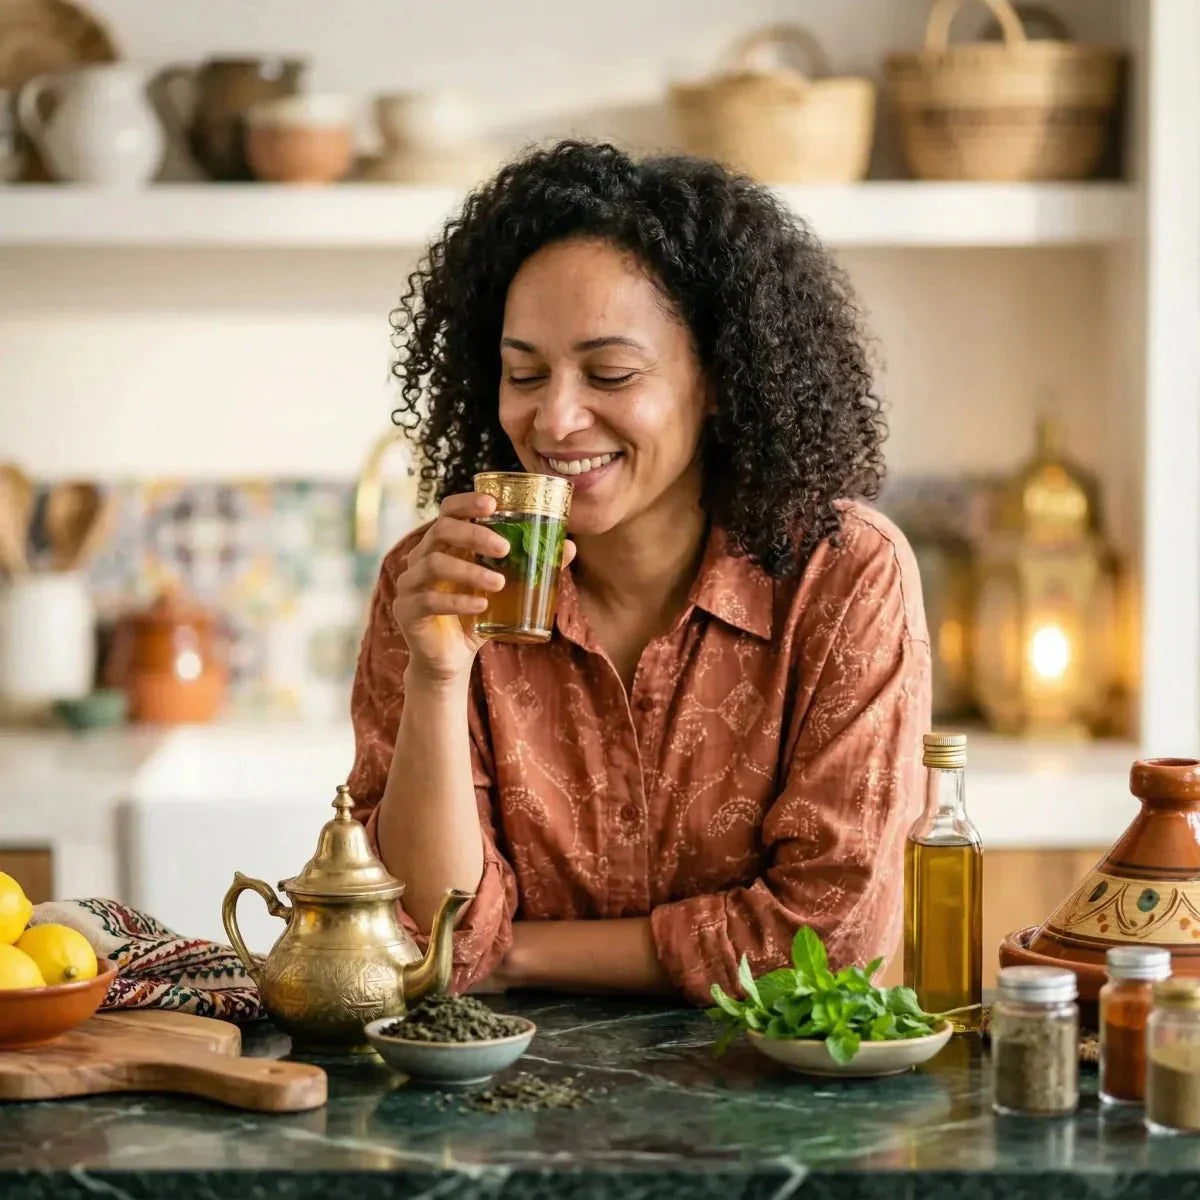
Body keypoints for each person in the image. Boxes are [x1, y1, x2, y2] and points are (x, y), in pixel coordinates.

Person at [347, 140, 931, 1006]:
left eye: (611, 373)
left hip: (773, 1111)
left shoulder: (841, 576)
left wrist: (520, 955)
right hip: (503, 1108)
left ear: (721, 380)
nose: (556, 417)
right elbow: (422, 944)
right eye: (524, 373)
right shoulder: (437, 583)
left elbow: (831, 940)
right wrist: (438, 676)